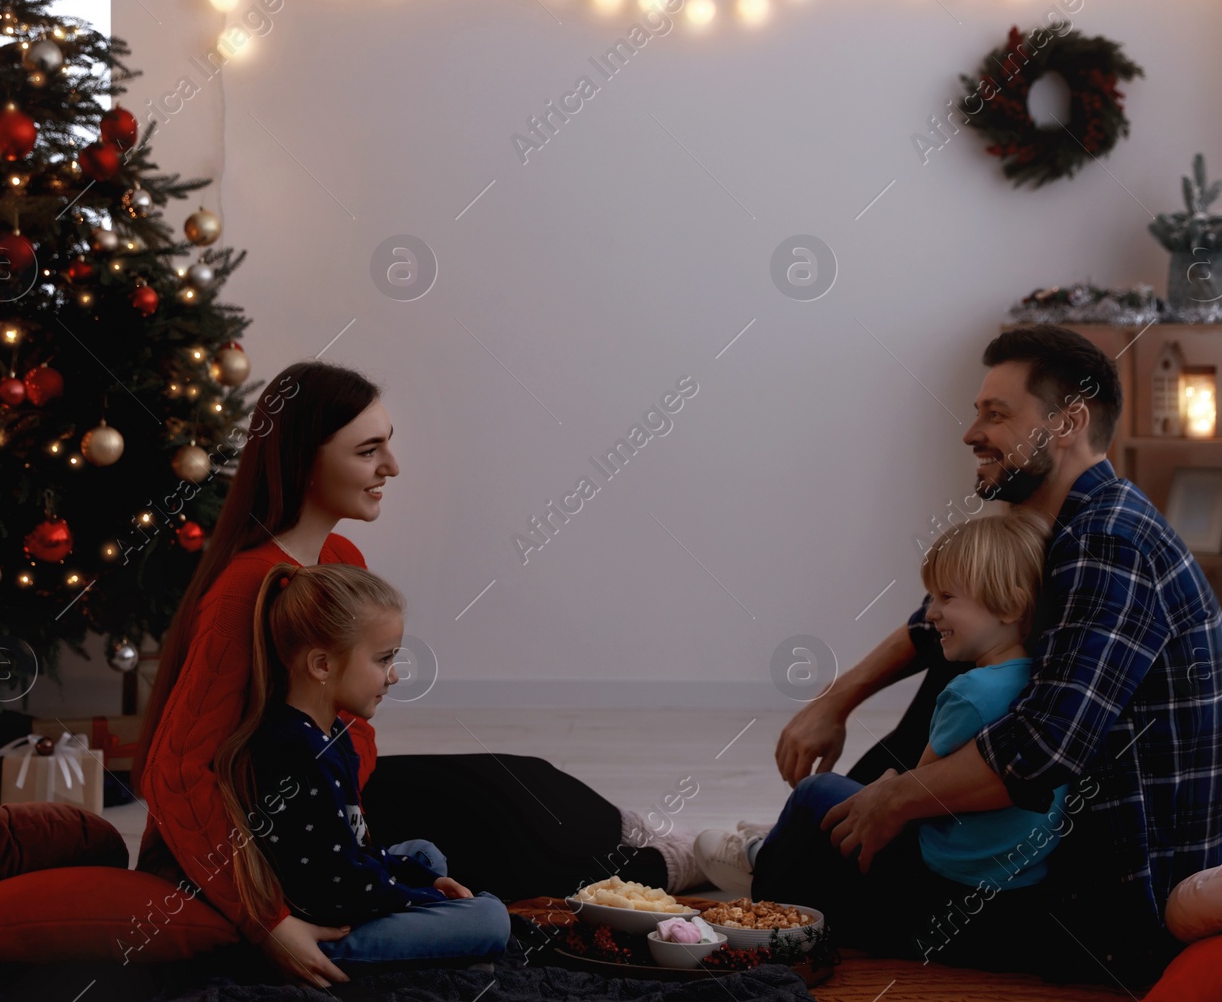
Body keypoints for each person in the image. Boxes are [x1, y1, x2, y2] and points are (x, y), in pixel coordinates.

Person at [132, 361, 701, 988]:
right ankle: (659, 864)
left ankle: (639, 839)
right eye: (368, 450)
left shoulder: (340, 559)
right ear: (303, 459)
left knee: (508, 779)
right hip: (260, 844)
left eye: (388, 444)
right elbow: (174, 771)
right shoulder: (244, 590)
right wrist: (266, 921)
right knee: (491, 820)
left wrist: (350, 803)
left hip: (327, 794)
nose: (392, 467)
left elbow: (351, 727)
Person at [764, 325, 1222, 986]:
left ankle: (761, 909)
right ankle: (813, 852)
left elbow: (1043, 750)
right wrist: (834, 702)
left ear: (1067, 421)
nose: (971, 434)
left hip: (1106, 920)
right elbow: (934, 626)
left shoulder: (1109, 546)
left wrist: (893, 800)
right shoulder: (1072, 523)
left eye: (996, 414)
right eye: (976, 413)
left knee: (818, 805)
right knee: (965, 646)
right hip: (1053, 860)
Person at [696, 510, 1068, 919]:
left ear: (1011, 606)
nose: (931, 614)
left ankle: (766, 869)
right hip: (1017, 877)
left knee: (816, 791)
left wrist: (892, 783)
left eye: (947, 597)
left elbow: (919, 791)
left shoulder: (969, 692)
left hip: (948, 871)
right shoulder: (1050, 689)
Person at [216, 561, 510, 972]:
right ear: (322, 665)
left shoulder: (328, 733)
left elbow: (352, 851)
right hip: (327, 925)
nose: (393, 676)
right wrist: (429, 899)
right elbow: (338, 884)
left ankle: (435, 926)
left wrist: (421, 880)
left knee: (425, 856)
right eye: (383, 659)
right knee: (491, 919)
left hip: (342, 886)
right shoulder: (296, 751)